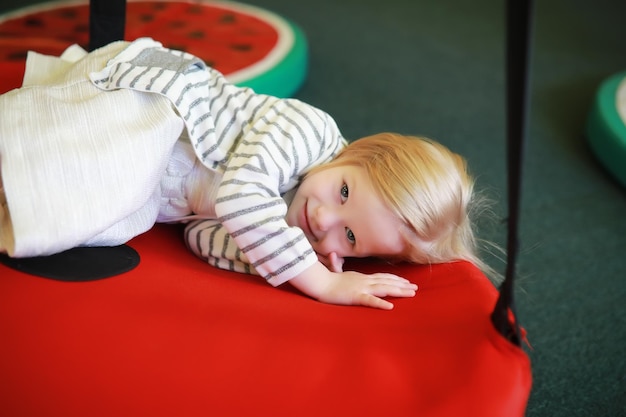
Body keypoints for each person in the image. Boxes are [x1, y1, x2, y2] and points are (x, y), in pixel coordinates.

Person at [0, 38, 492, 310]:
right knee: (82, 167)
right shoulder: (309, 132)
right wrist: (318, 281)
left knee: (104, 221)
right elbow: (238, 197)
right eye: (344, 192)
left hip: (158, 182)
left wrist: (278, 257)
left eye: (350, 236)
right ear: (356, 155)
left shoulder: (290, 229)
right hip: (157, 103)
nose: (323, 220)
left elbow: (204, 238)